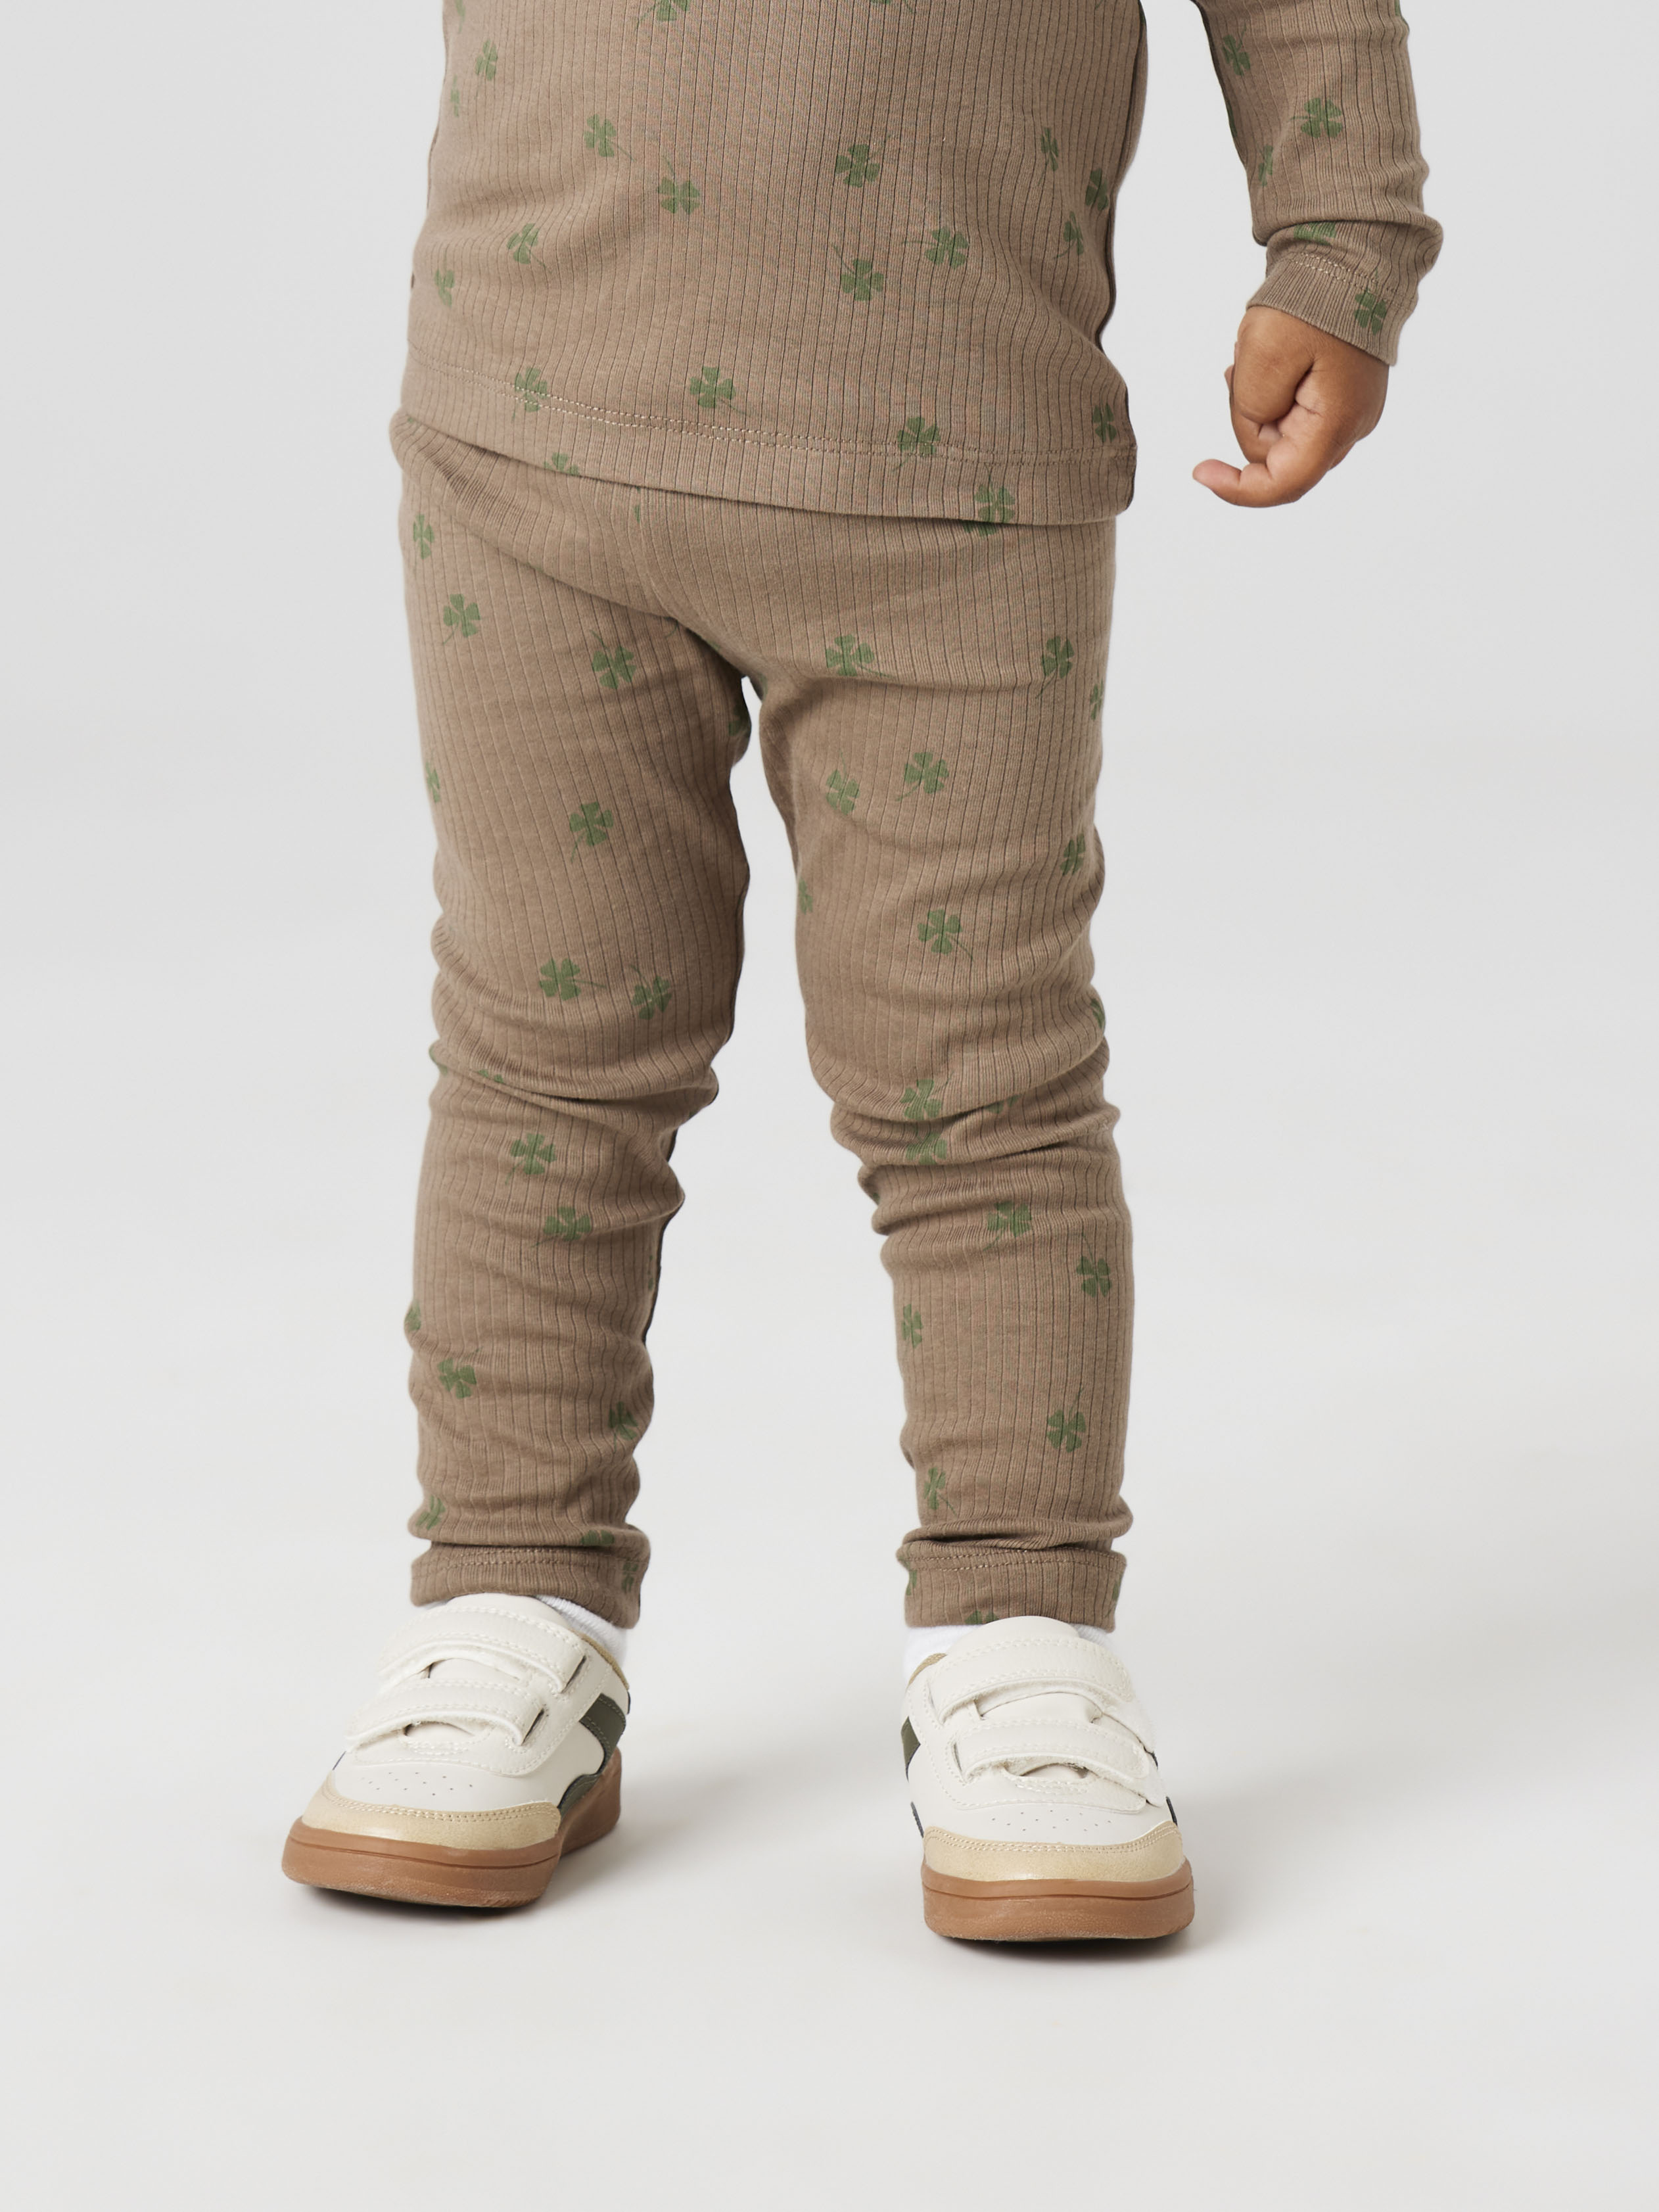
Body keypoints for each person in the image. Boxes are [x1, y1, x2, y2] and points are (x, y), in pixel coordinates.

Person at [281, 0, 1438, 1938]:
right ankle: (507, 1594)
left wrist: (1340, 238)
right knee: (546, 1063)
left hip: (958, 458)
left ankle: (1020, 1626)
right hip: (534, 430)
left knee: (980, 1089)